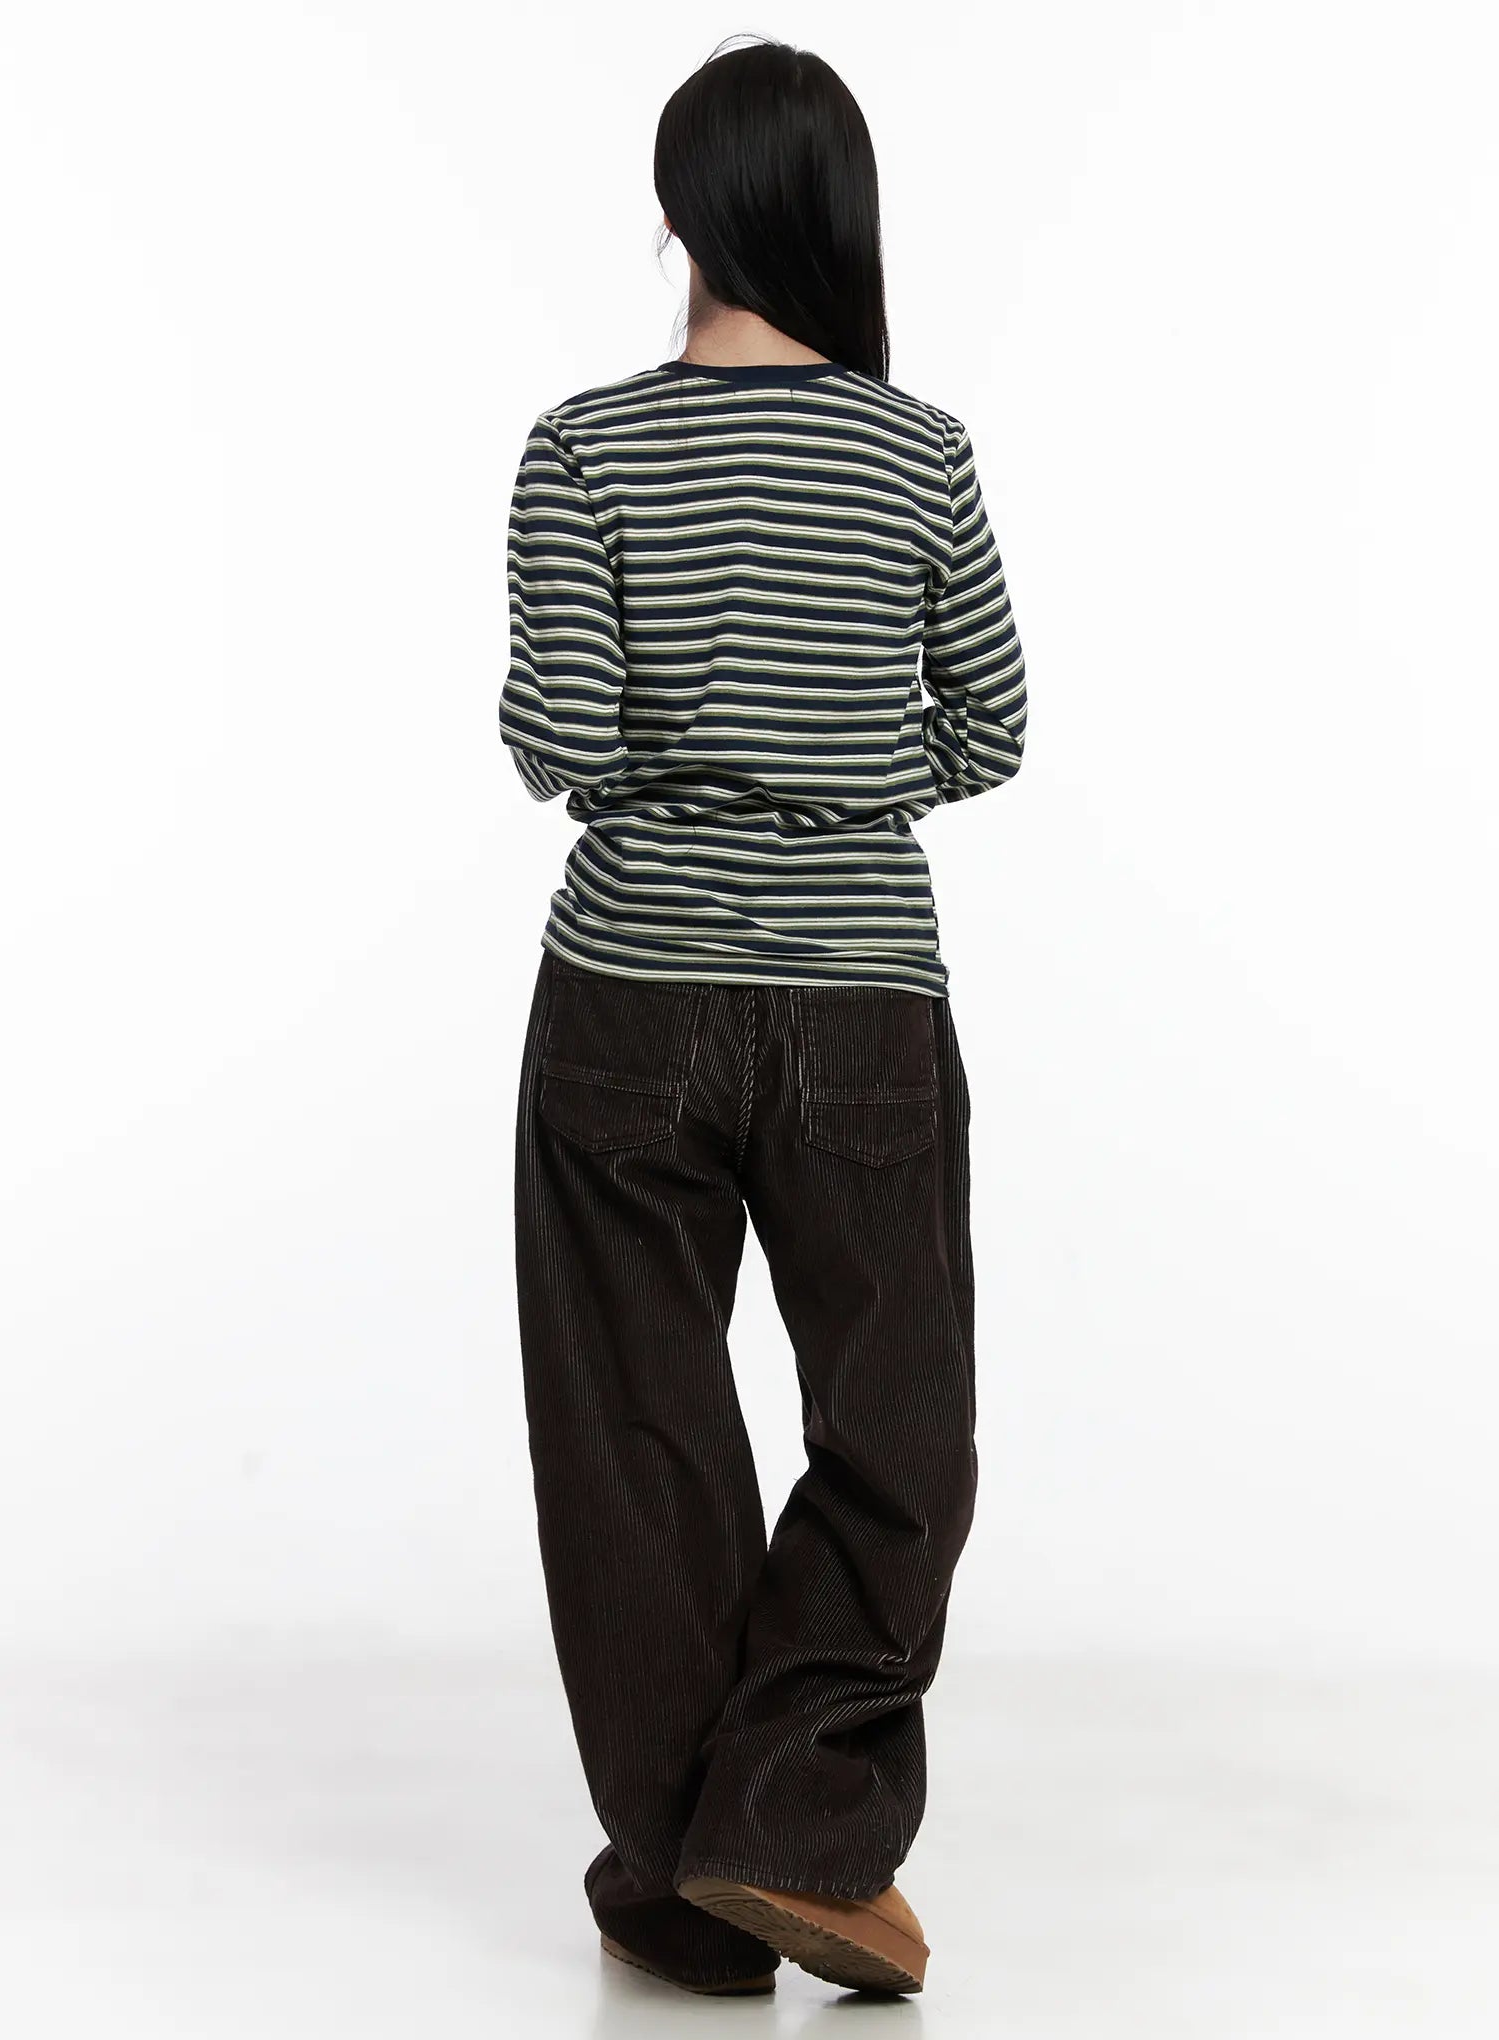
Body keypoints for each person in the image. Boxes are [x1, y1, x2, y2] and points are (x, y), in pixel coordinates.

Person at [499, 36, 1026, 1998]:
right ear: (837, 215)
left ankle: (680, 1874)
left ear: (680, 216)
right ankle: (786, 1827)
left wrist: (657, 745)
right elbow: (992, 727)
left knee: (634, 1431)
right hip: (860, 1004)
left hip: (627, 996)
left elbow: (561, 736)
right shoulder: (920, 453)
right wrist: (838, 770)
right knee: (899, 1422)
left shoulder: (582, 449)